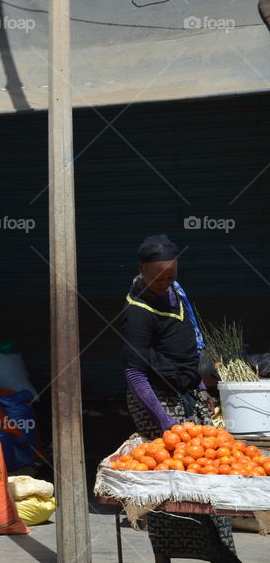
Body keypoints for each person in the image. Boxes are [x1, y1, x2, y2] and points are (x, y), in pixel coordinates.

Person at [121, 234, 239, 563]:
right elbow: (135, 373)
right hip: (155, 400)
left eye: (170, 276)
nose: (164, 283)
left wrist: (200, 387)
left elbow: (187, 349)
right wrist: (164, 421)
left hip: (186, 393)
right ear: (141, 269)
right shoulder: (138, 312)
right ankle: (166, 555)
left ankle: (220, 552)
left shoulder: (177, 293)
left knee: (208, 472)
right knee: (169, 477)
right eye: (157, 278)